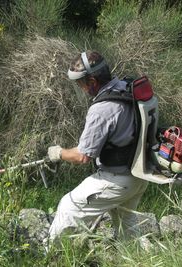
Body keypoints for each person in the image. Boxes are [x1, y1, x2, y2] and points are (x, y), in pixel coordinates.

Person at [47, 51, 149, 245]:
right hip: (139, 175)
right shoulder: (126, 87)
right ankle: (135, 259)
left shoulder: (102, 109)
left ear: (92, 81)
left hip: (117, 180)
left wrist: (58, 153)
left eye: (81, 84)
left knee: (68, 207)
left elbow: (82, 156)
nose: (82, 89)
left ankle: (48, 256)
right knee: (126, 226)